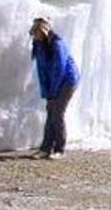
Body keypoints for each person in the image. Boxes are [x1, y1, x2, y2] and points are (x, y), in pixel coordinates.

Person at [29, 17, 80, 159]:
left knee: (57, 113)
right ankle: (45, 148)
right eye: (34, 31)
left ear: (45, 30)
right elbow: (42, 71)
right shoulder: (39, 45)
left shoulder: (57, 44)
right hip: (54, 82)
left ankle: (60, 149)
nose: (35, 34)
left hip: (67, 81)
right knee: (51, 112)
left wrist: (53, 92)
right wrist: (48, 92)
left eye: (37, 30)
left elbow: (59, 69)